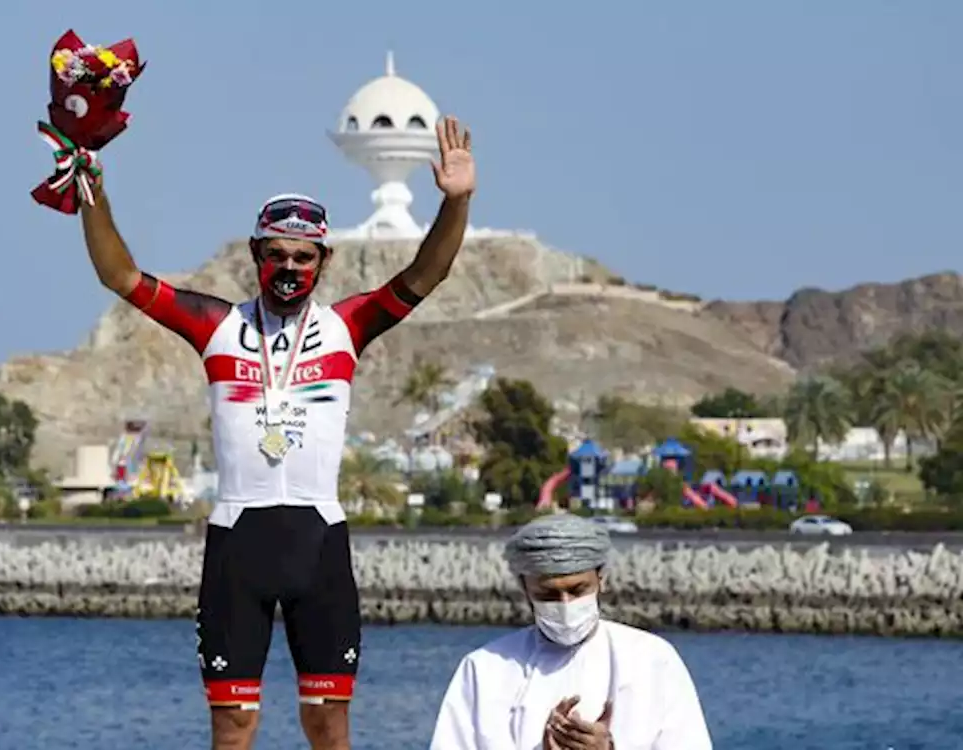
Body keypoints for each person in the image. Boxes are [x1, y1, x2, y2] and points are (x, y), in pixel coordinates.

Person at [76, 116, 476, 750]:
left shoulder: (348, 326)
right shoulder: (215, 325)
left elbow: (427, 275)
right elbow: (120, 275)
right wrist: (88, 181)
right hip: (238, 542)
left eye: (303, 257)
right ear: (255, 256)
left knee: (327, 724)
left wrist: (456, 202)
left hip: (319, 541)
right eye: (277, 256)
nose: (290, 268)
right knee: (234, 728)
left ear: (323, 261)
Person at [428, 513, 712, 749]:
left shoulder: (652, 660)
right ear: (525, 589)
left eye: (578, 590)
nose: (565, 605)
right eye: (548, 594)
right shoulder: (485, 669)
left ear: (601, 579)